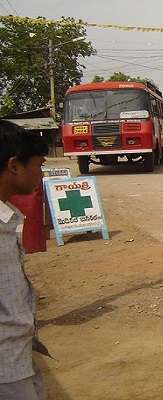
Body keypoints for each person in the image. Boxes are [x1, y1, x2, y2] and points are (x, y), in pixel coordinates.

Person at [0, 120, 49, 400]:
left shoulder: (7, 217)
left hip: (20, 356)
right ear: (14, 166)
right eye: (39, 165)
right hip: (7, 368)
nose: (41, 174)